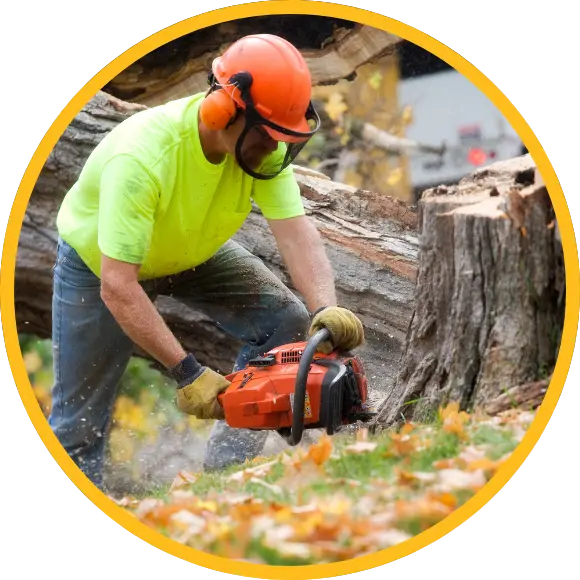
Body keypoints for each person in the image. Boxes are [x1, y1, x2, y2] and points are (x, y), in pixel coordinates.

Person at [49, 33, 365, 491]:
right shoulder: (142, 158)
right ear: (225, 111)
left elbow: (296, 233)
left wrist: (325, 309)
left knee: (284, 319)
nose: (273, 149)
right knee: (79, 424)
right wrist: (187, 372)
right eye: (266, 136)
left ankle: (224, 481)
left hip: (192, 251)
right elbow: (118, 286)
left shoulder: (265, 148)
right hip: (100, 267)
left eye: (283, 138)